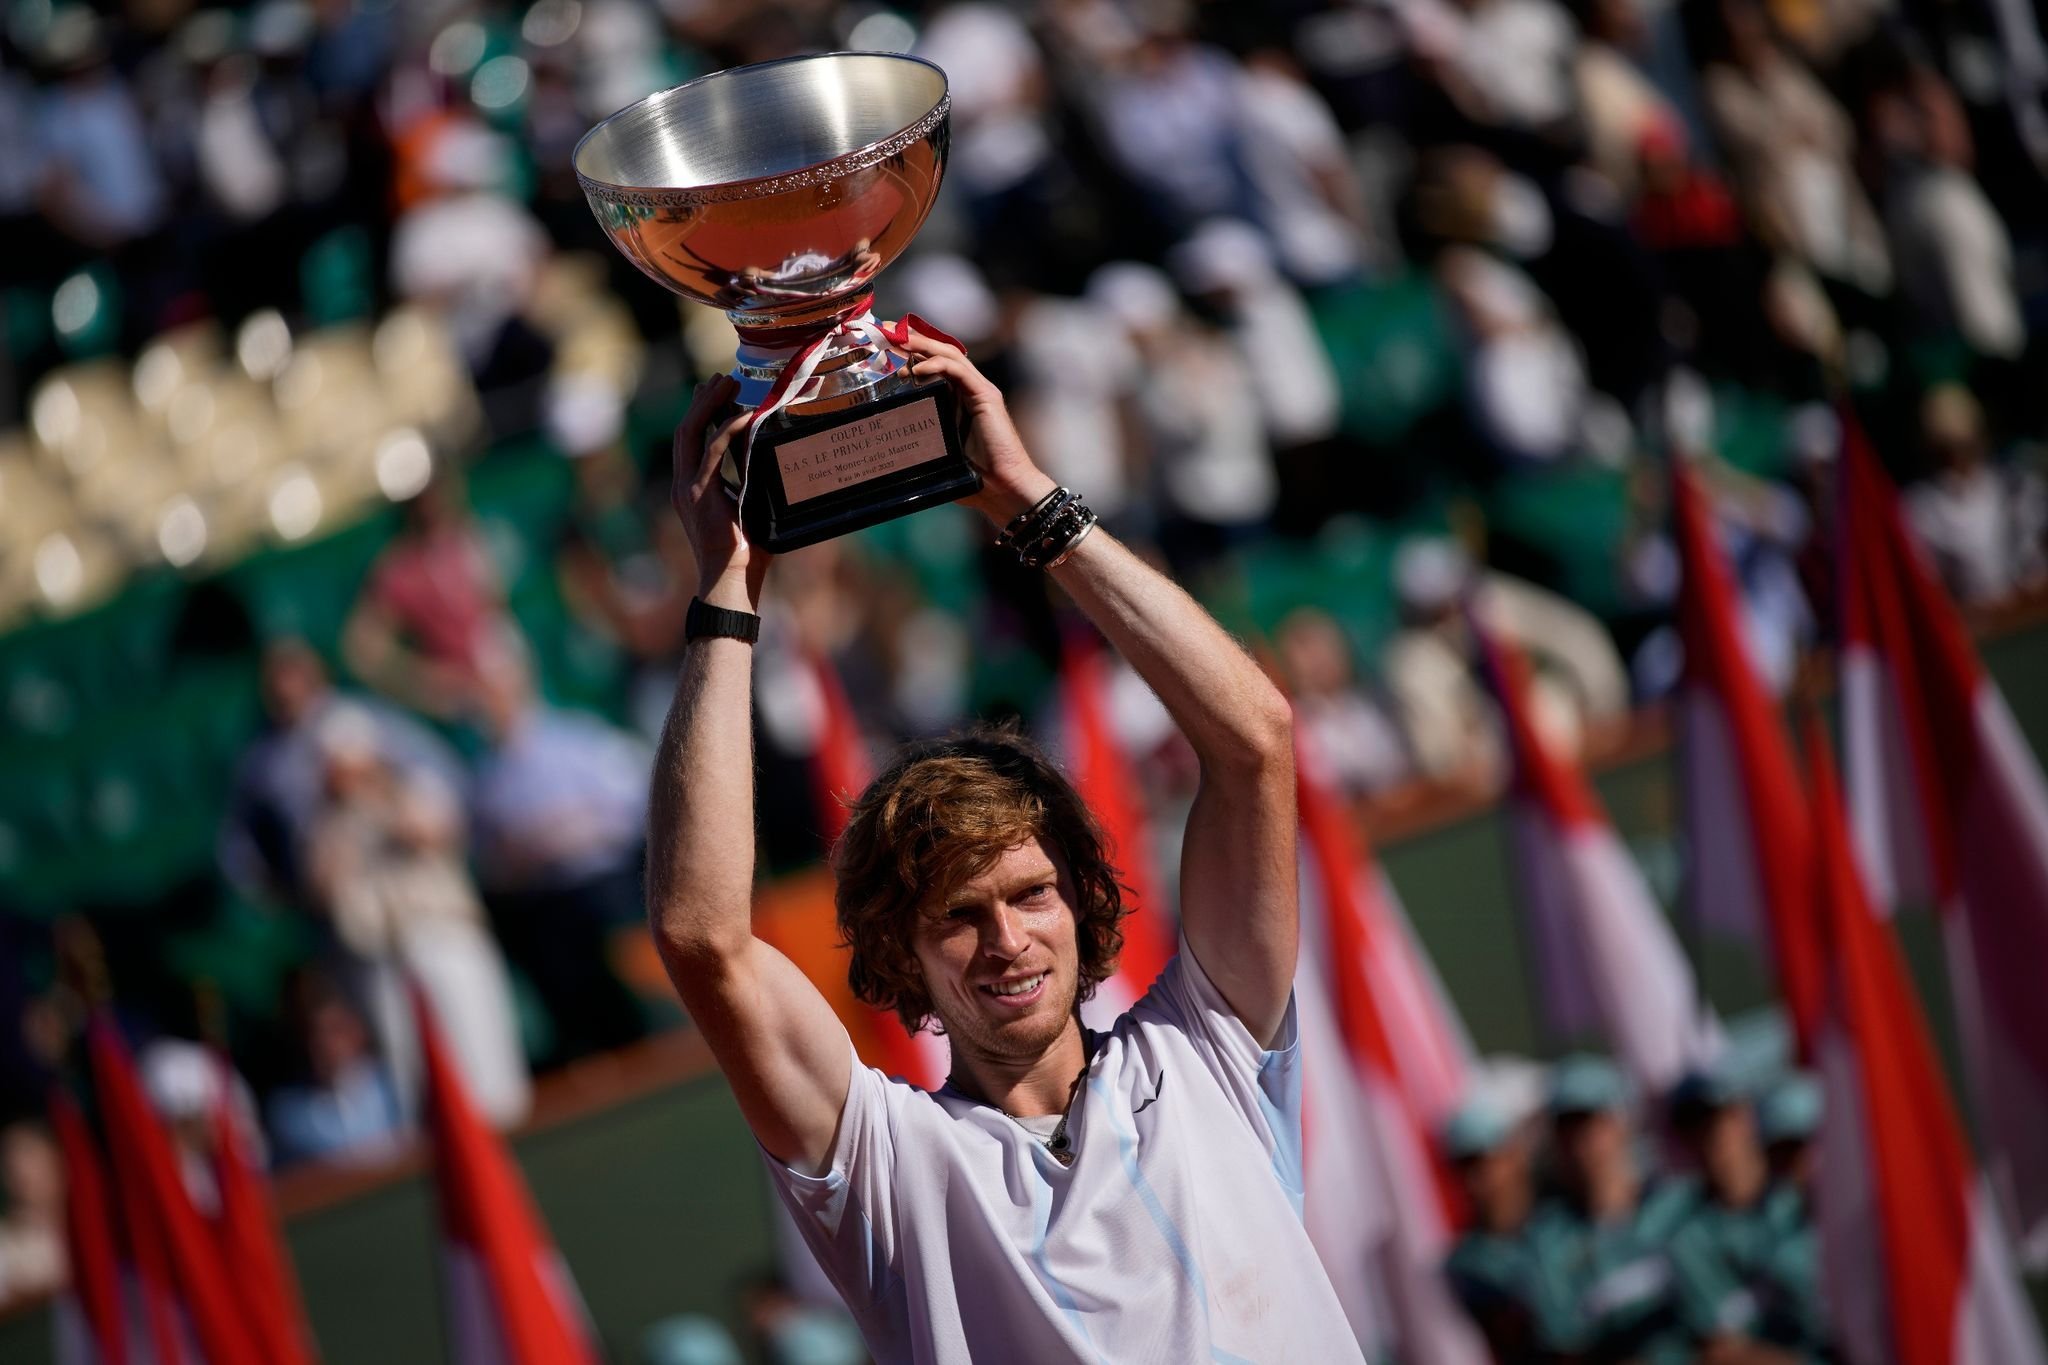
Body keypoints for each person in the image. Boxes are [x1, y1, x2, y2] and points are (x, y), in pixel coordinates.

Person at [645, 332, 1361, 1361]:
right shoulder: (888, 1167)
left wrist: (1027, 498)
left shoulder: (1206, 1049)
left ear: (1080, 899)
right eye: (957, 917)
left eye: (1028, 894)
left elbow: (1254, 741)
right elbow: (702, 936)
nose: (1006, 939)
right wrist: (727, 587)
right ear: (903, 957)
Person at [1526, 1054, 1695, 1364]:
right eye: (1568, 1131)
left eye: (1593, 1126)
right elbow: (1564, 1347)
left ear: (1623, 1125)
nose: (1582, 1145)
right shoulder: (1546, 1243)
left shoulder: (1681, 1207)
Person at [1664, 1067, 1832, 1363]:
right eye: (1695, 1126)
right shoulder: (1690, 1241)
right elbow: (1722, 1351)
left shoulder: (1800, 1186)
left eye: (1721, 1117)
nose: (1711, 1135)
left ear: (1746, 1116)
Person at [1442, 1099, 1576, 1363]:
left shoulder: (1567, 1221)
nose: (1477, 1180)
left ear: (1515, 1155)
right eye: (1466, 1166)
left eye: (1487, 1162)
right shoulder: (1467, 1266)